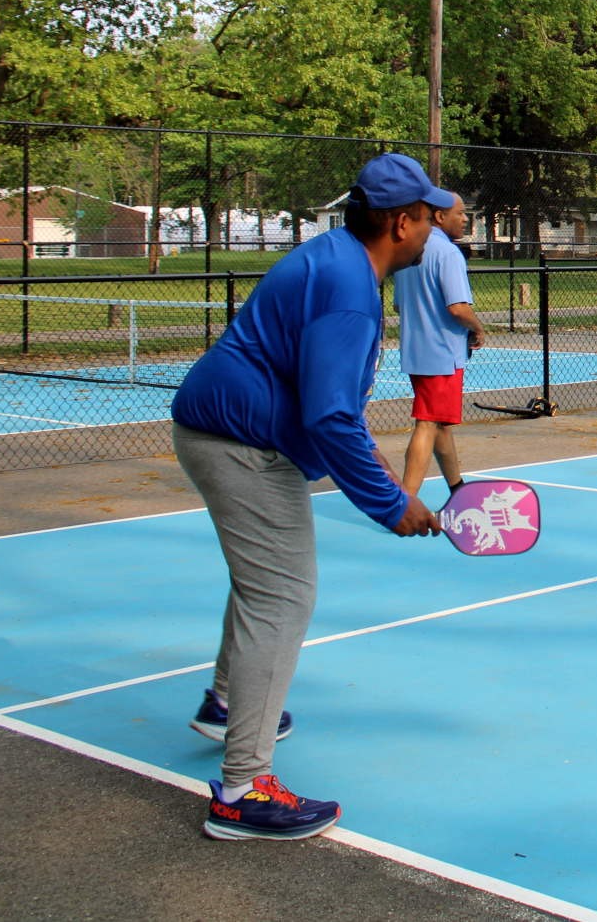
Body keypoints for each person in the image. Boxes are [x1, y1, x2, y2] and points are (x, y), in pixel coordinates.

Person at [169, 154, 449, 842]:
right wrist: (390, 503)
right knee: (283, 593)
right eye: (427, 217)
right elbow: (328, 417)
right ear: (400, 222)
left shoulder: (339, 262)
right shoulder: (351, 288)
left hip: (222, 428)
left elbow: (332, 404)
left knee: (261, 582)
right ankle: (243, 790)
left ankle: (225, 701)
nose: (434, 229)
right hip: (239, 442)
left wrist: (383, 477)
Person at [394, 192, 485, 500]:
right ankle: (405, 503)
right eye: (460, 213)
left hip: (416, 352)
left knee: (439, 423)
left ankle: (457, 488)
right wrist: (477, 328)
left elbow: (399, 306)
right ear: (439, 216)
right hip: (442, 355)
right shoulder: (448, 253)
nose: (465, 219)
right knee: (428, 424)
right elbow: (458, 308)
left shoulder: (409, 248)